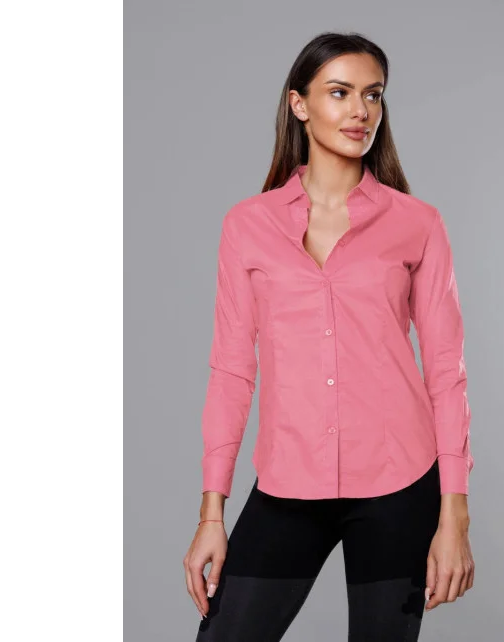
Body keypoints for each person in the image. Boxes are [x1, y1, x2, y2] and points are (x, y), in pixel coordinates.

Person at [183, 31, 475, 641]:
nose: (360, 110)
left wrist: (455, 516)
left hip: (399, 482)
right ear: (299, 104)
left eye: (373, 94)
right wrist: (213, 512)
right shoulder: (248, 226)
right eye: (340, 92)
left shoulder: (417, 224)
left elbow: (446, 372)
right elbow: (232, 371)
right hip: (288, 478)